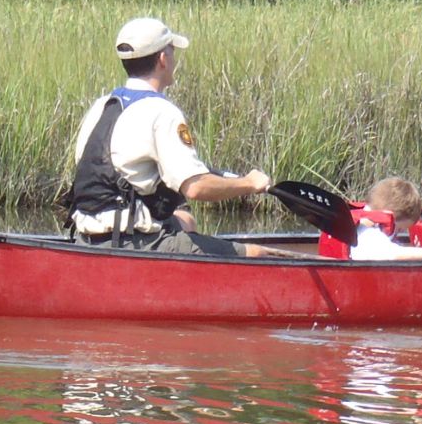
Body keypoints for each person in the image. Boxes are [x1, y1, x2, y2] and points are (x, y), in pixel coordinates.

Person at [66, 17, 275, 257]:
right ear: (163, 60)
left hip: (87, 237)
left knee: (185, 220)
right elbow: (196, 187)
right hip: (131, 244)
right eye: (172, 53)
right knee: (257, 253)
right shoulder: (162, 112)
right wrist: (249, 184)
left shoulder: (103, 105)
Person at [320, 177, 422, 279]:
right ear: (388, 216)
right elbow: (394, 253)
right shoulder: (368, 235)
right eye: (398, 229)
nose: (395, 234)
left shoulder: (358, 225)